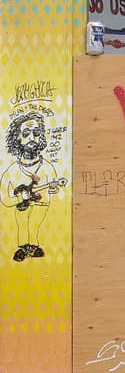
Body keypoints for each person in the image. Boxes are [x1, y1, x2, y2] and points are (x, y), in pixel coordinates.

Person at [1, 112, 64, 262]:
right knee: (22, 221)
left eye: (36, 133)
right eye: (26, 133)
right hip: (21, 208)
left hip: (42, 207)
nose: (31, 138)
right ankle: (23, 248)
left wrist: (53, 189)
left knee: (35, 223)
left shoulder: (48, 168)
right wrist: (19, 198)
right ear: (17, 138)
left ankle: (34, 247)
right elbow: (4, 199)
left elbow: (55, 194)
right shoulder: (11, 171)